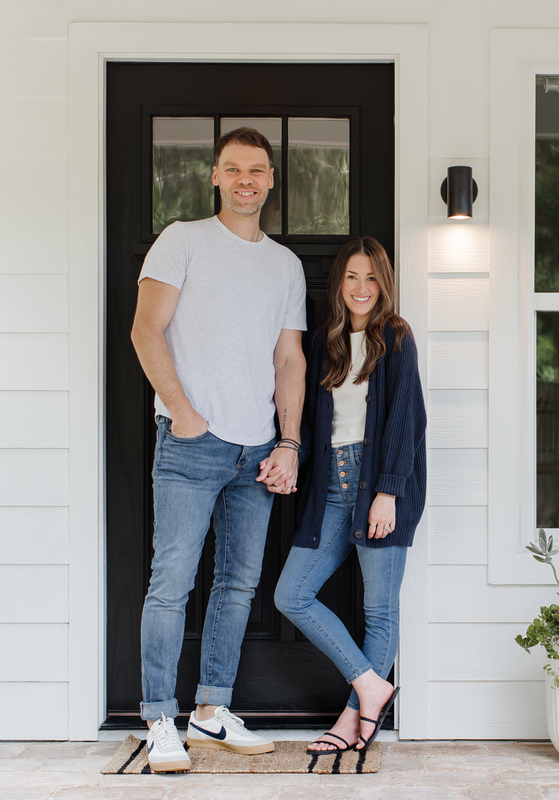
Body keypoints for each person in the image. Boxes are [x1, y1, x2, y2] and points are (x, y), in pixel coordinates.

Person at [130, 127, 306, 772]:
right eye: (233, 169)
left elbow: (289, 359)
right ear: (215, 176)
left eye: (257, 170)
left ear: (268, 180)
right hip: (191, 444)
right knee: (171, 583)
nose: (246, 180)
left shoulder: (284, 265)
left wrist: (288, 443)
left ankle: (210, 710)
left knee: (237, 585)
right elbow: (145, 329)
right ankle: (158, 719)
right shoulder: (183, 240)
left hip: (257, 450)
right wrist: (182, 411)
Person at [274, 236, 426, 755]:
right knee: (291, 594)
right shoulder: (324, 342)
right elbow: (316, 420)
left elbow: (408, 422)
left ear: (383, 285)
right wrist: (287, 456)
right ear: (339, 283)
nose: (362, 288)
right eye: (352, 277)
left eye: (372, 278)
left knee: (380, 611)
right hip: (331, 488)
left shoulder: (396, 336)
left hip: (380, 484)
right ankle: (371, 684)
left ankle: (349, 722)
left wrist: (388, 493)